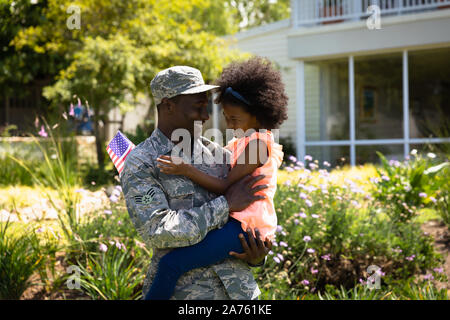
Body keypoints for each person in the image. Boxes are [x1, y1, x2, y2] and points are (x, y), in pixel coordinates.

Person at [120, 65, 272, 300]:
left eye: (207, 106)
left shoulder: (221, 155)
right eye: (198, 107)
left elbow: (252, 215)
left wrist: (257, 256)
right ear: (168, 105)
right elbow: (158, 231)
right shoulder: (143, 162)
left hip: (239, 294)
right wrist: (225, 205)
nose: (206, 116)